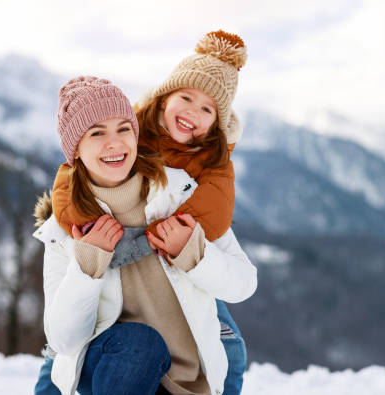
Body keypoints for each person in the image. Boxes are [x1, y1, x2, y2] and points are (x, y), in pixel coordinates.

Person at [44, 30, 251, 394]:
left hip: (182, 359)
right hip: (117, 359)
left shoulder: (184, 187)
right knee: (128, 347)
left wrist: (193, 250)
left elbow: (240, 272)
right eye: (95, 134)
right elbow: (62, 341)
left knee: (228, 343)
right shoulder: (69, 224)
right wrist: (86, 263)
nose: (114, 142)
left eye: (123, 130)